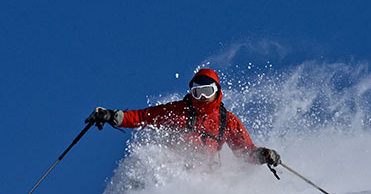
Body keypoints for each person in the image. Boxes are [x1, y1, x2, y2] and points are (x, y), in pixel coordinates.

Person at [86, 68, 280, 167]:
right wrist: (111, 115)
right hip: (173, 163)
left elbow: (244, 151)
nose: (202, 97)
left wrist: (264, 155)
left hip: (205, 172)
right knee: (143, 161)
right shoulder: (179, 111)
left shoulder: (227, 121)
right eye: (197, 92)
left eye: (207, 91)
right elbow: (143, 117)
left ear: (217, 91)